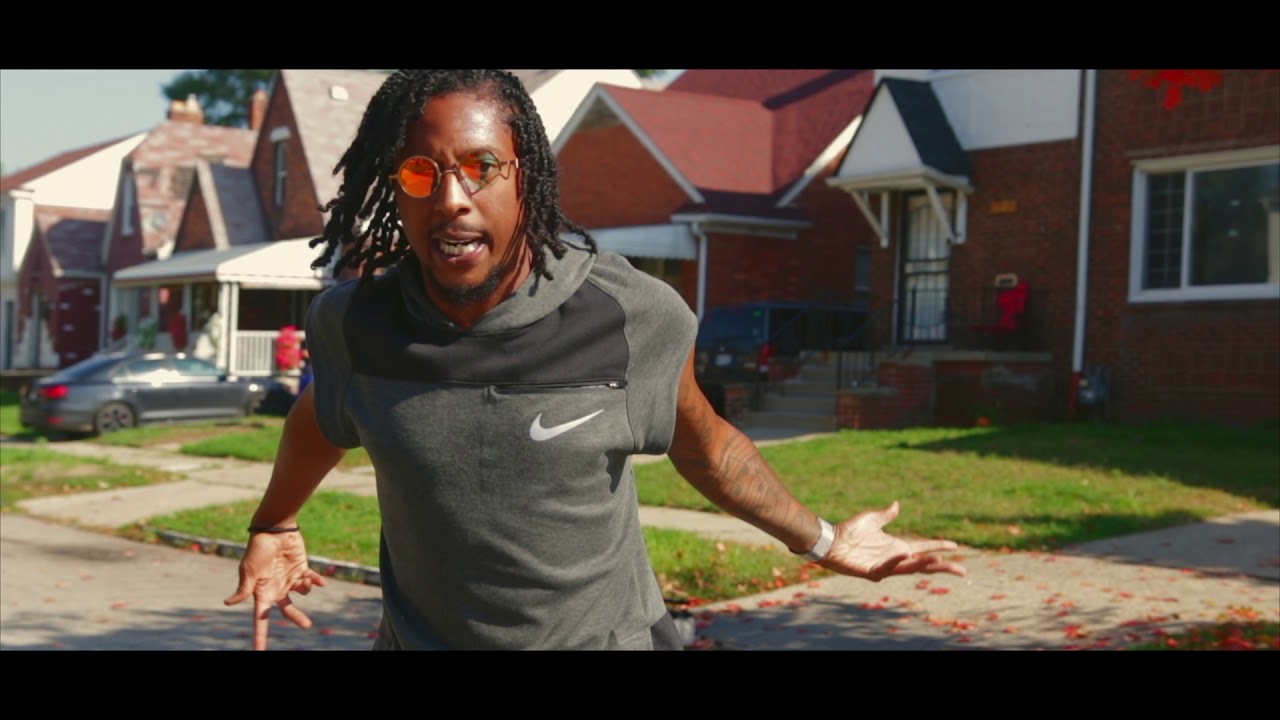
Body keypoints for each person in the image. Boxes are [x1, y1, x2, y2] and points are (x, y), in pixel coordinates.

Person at [225, 69, 966, 651]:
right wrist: (275, 522)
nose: (451, 198)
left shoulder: (628, 315)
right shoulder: (355, 323)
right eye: (421, 172)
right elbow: (322, 417)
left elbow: (706, 445)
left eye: (482, 166)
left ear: (525, 177)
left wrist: (825, 541)